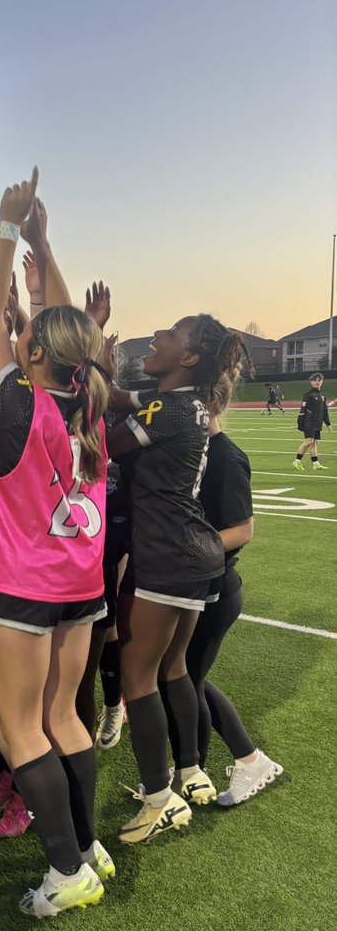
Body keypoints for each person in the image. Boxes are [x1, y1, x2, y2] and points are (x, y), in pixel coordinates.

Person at [0, 169, 114, 919]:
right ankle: (85, 844)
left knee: (22, 726)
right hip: (78, 587)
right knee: (64, 718)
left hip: (19, 589)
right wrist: (43, 241)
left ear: (32, 355)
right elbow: (73, 334)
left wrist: (5, 229)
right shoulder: (88, 401)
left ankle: (67, 868)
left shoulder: (19, 405)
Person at [106, 317, 249, 842]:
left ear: (188, 359)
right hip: (197, 554)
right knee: (174, 668)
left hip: (166, 554)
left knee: (136, 675)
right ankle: (189, 772)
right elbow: (121, 396)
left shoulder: (167, 407)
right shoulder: (184, 402)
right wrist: (99, 367)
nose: (157, 337)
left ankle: (158, 797)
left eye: (170, 334)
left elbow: (106, 445)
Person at [177, 377, 282, 804]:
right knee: (186, 677)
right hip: (193, 585)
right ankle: (201, 766)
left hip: (217, 588)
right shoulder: (189, 452)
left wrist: (188, 548)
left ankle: (241, 761)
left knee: (187, 678)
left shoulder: (226, 457)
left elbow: (243, 530)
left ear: (210, 402)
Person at [293, 373, 330, 469]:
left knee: (314, 443)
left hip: (318, 423)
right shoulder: (308, 395)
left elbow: (324, 411)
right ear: (311, 382)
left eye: (319, 380)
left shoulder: (322, 396)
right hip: (308, 423)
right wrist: (300, 424)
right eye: (314, 380)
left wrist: (328, 423)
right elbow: (302, 411)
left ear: (322, 381)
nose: (317, 382)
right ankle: (297, 461)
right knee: (309, 442)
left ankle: (315, 464)